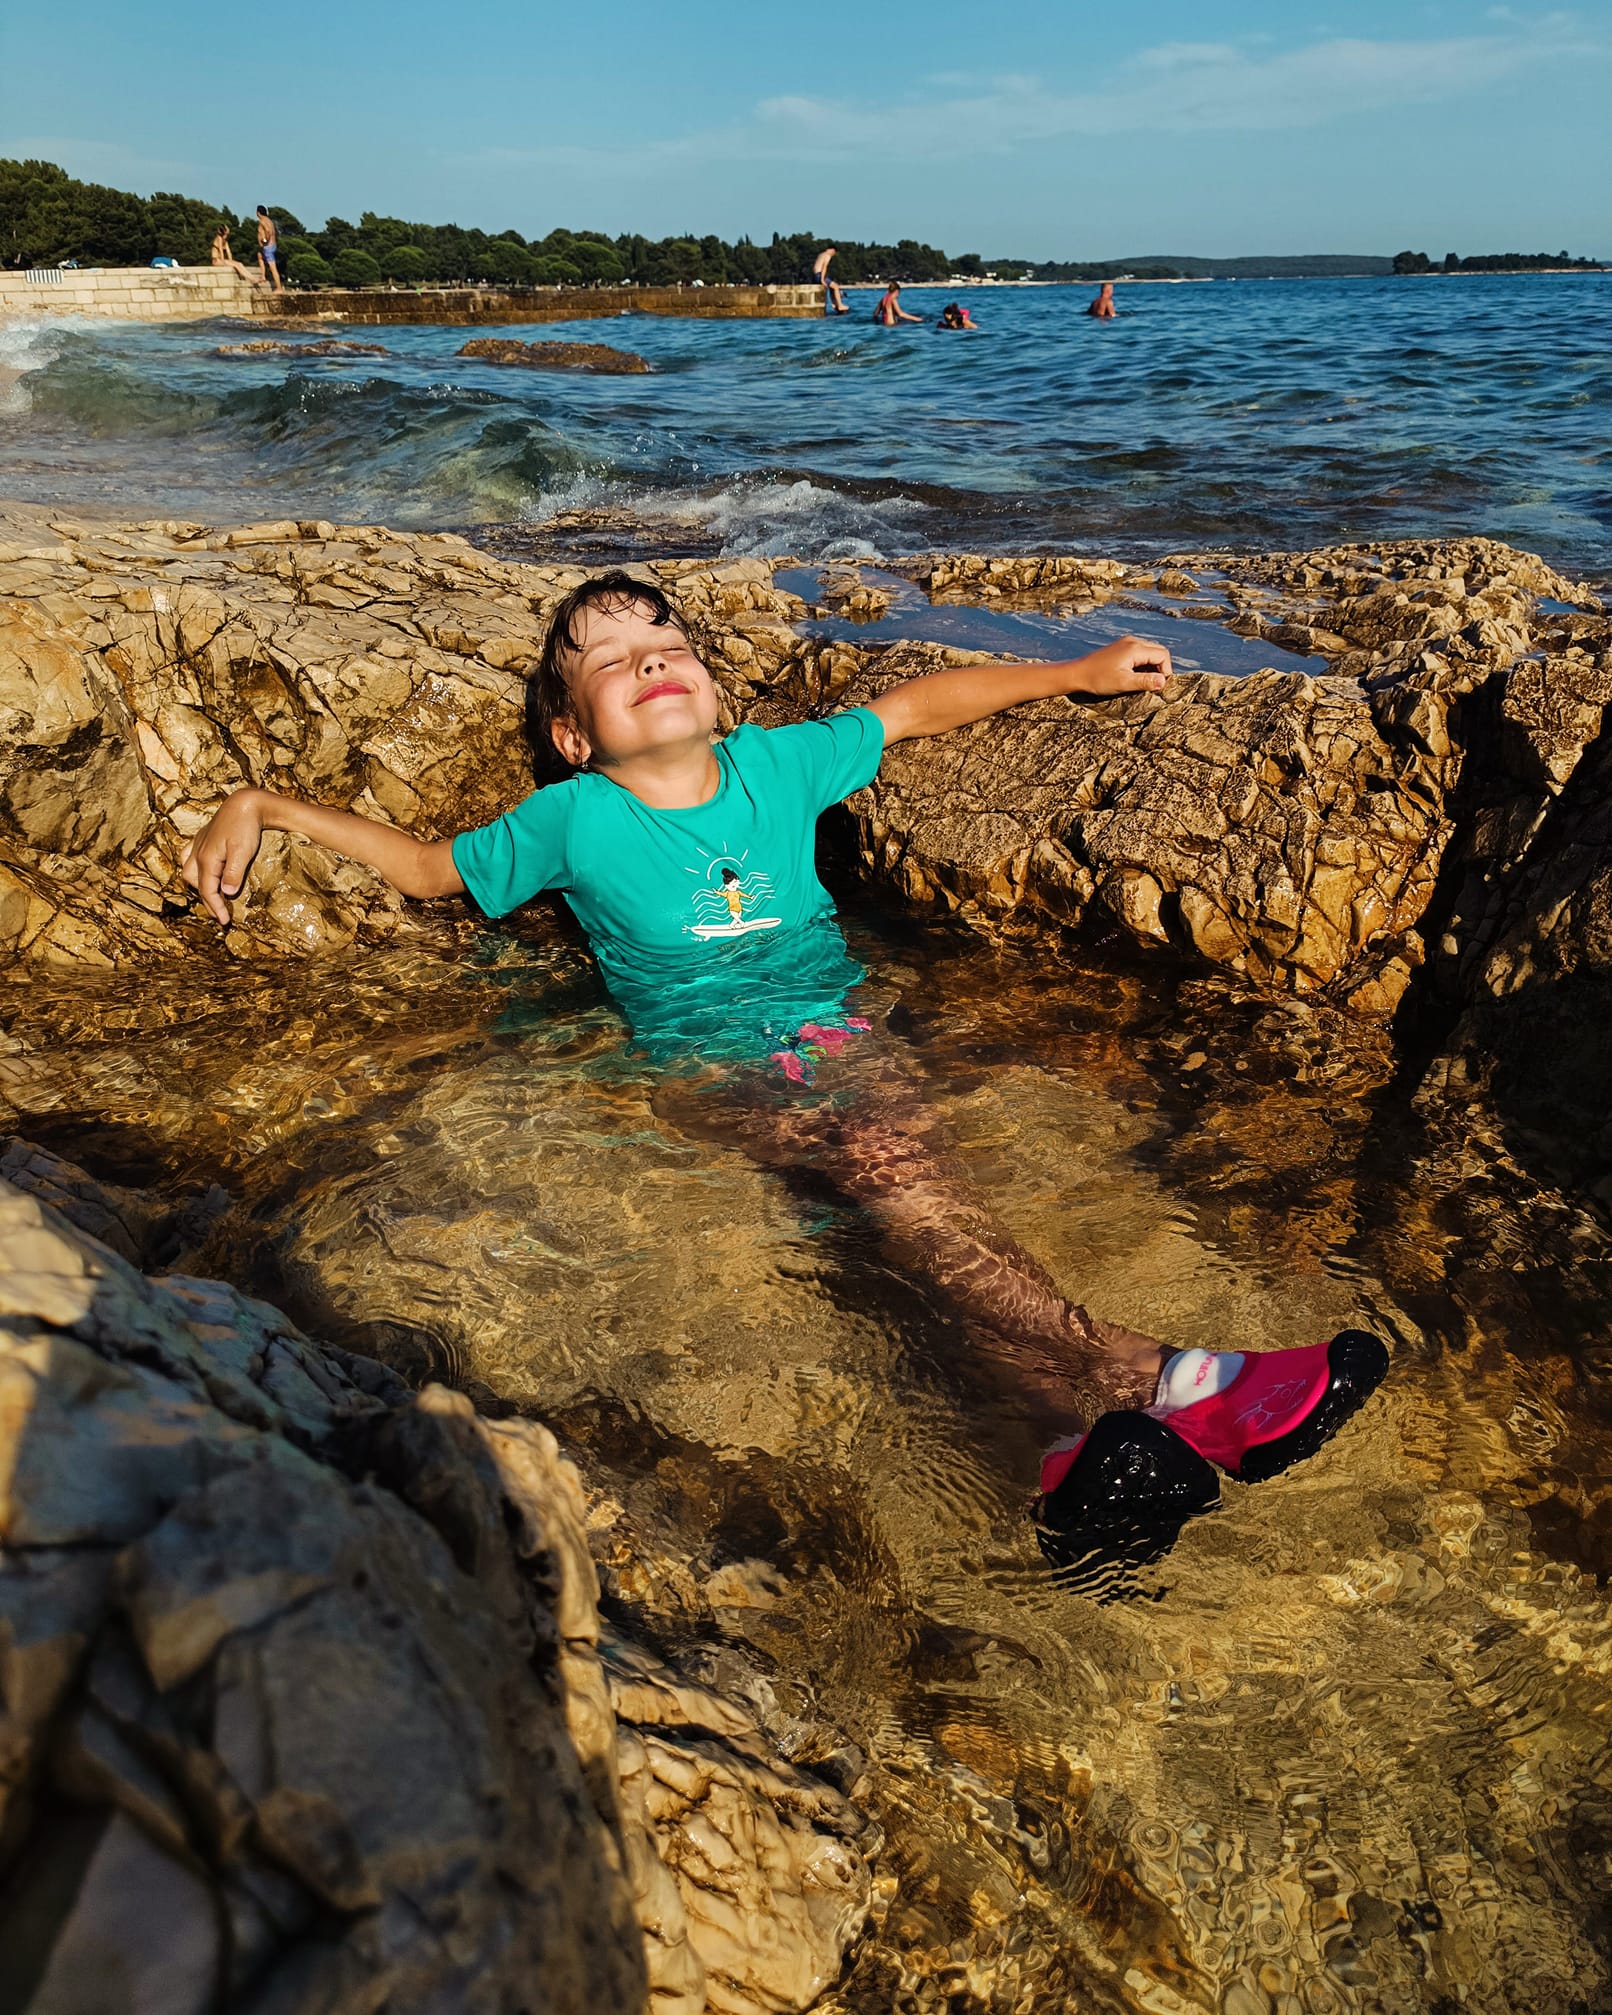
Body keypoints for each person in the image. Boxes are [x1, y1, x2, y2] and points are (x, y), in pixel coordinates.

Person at [180, 574, 1387, 1583]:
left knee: (907, 1235)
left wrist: (1070, 670)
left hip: (842, 1038)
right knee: (897, 1180)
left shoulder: (776, 766)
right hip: (705, 1067)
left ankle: (1072, 1464)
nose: (653, 660)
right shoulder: (570, 818)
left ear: (712, 684)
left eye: (669, 642)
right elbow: (429, 871)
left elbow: (915, 707)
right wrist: (260, 802)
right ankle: (1168, 1374)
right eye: (611, 659)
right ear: (571, 734)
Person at [812, 246, 849, 316]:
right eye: (834, 253)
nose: (833, 255)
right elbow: (824, 267)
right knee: (836, 287)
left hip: (815, 275)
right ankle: (840, 305)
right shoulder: (827, 255)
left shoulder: (821, 254)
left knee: (832, 287)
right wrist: (822, 279)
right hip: (819, 275)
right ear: (832, 250)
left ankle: (834, 304)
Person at [255, 206, 283, 294]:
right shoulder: (269, 220)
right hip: (271, 245)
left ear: (258, 212)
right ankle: (263, 276)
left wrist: (265, 240)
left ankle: (279, 288)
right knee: (260, 256)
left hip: (268, 247)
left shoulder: (263, 221)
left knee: (273, 268)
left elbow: (268, 231)